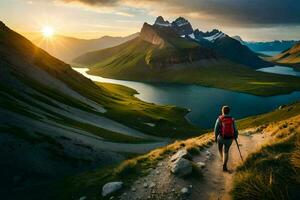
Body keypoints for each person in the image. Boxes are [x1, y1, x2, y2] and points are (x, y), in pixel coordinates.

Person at [214, 105, 238, 172]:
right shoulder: (232, 119)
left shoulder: (219, 119)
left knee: (220, 148)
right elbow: (236, 130)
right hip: (229, 139)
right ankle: (224, 165)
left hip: (221, 138)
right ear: (229, 111)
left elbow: (216, 130)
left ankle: (222, 158)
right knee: (226, 151)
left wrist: (215, 138)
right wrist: (235, 137)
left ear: (222, 111)